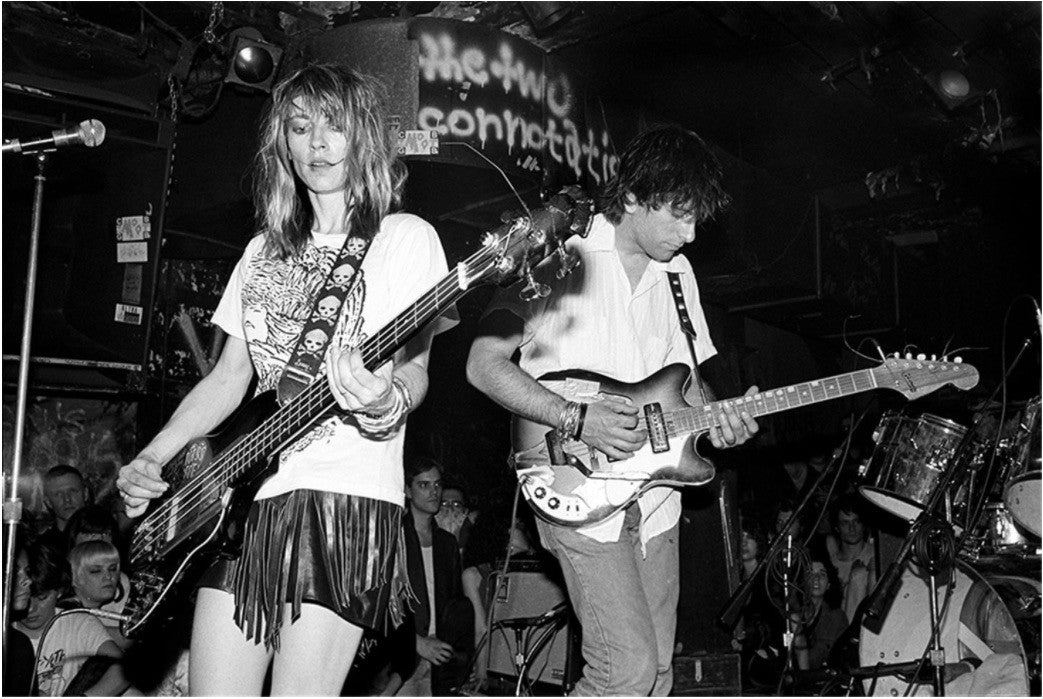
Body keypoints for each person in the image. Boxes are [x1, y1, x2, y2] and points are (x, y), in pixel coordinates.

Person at [117, 63, 456, 695]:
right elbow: (229, 379)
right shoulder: (262, 250)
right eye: (300, 128)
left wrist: (390, 400)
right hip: (239, 508)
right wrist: (154, 457)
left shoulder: (404, 238)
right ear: (284, 143)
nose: (317, 143)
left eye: (332, 126)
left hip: (343, 503)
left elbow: (416, 367)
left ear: (363, 136)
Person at [466, 124, 760, 696]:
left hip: (656, 502)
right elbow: (483, 365)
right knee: (621, 669)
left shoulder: (679, 276)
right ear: (629, 196)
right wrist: (576, 417)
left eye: (696, 217)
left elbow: (689, 390)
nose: (691, 233)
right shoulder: (557, 252)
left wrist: (720, 425)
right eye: (678, 214)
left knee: (654, 677)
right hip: (571, 478)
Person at [14, 538, 131, 696]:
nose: (31, 609)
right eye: (24, 599)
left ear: (60, 591)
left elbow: (123, 668)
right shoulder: (7, 633)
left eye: (42, 598)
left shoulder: (77, 622)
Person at [398, 458, 474, 696]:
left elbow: (453, 604)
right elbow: (377, 603)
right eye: (424, 485)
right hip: (401, 655)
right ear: (408, 491)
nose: (434, 492)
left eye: (437, 484)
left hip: (440, 654)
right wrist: (416, 642)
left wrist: (462, 656)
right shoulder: (393, 537)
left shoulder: (446, 543)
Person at [825, 494, 876, 621]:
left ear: (863, 524)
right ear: (837, 527)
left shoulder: (875, 557)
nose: (852, 528)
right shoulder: (830, 565)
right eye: (845, 523)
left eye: (856, 521)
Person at [40, 464, 90, 542]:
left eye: (73, 491)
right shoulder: (43, 548)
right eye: (58, 494)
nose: (67, 499)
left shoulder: (104, 538)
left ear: (86, 494)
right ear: (48, 502)